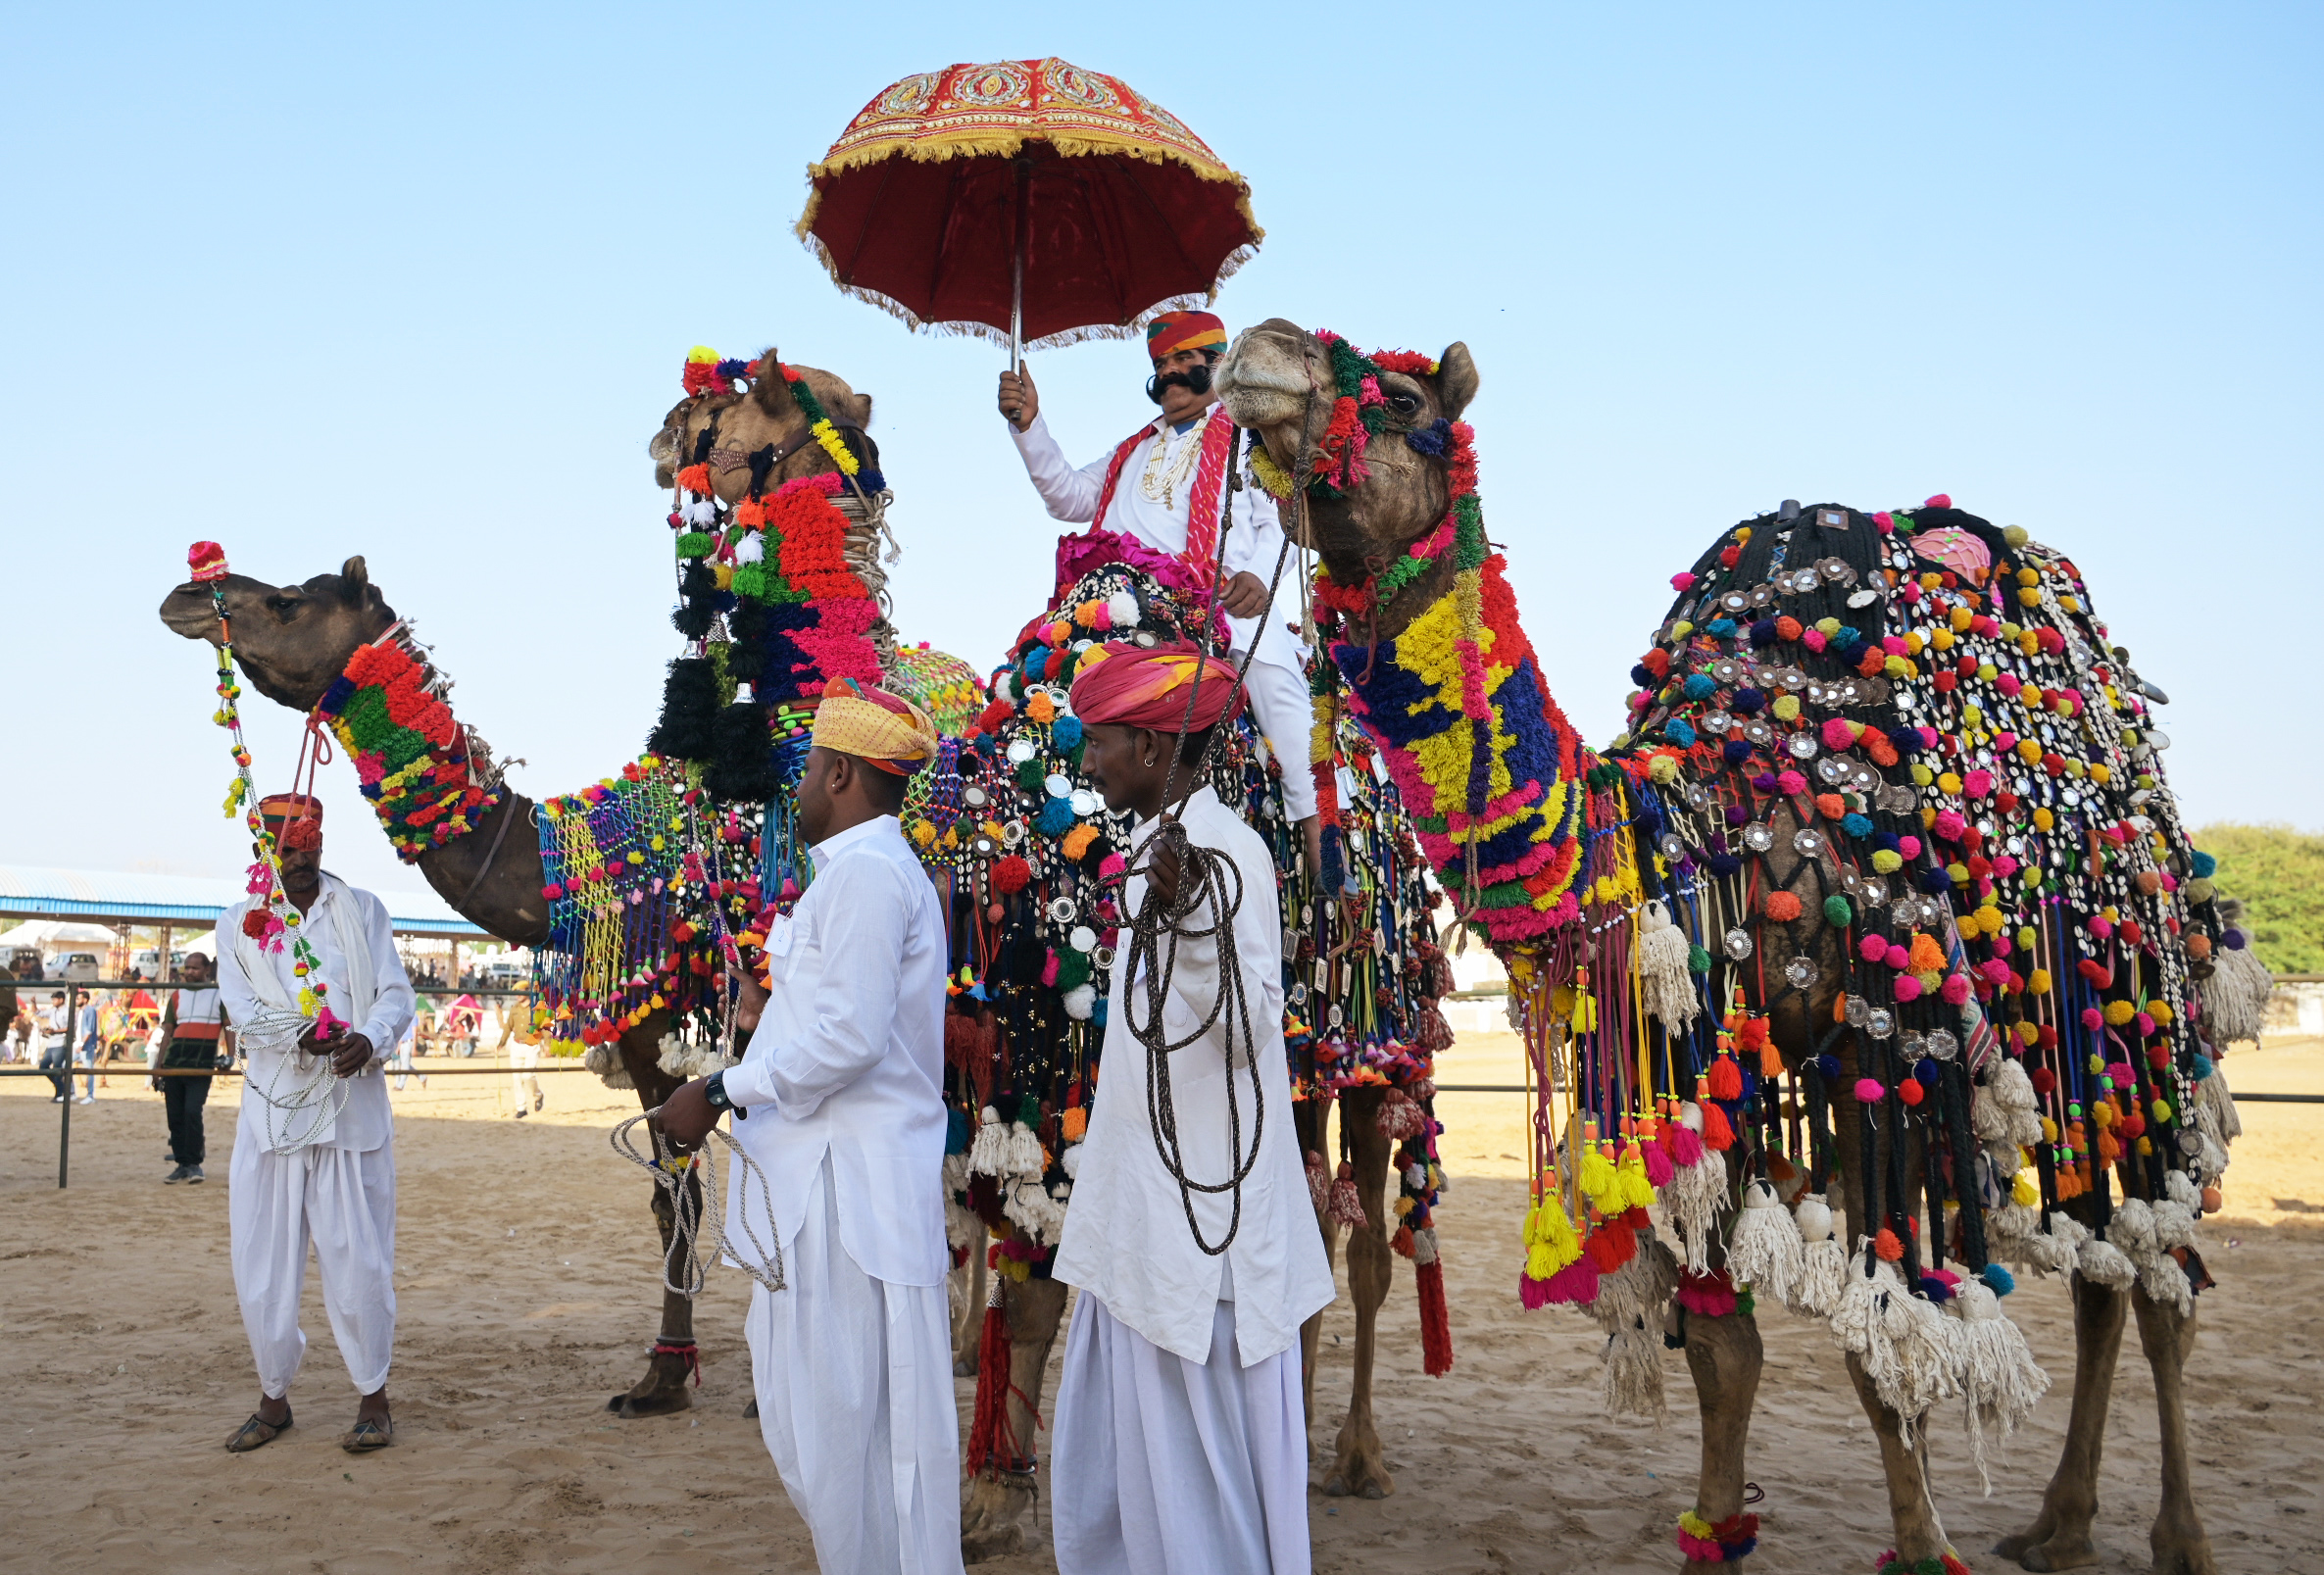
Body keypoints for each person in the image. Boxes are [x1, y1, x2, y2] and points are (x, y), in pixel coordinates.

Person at [657, 678, 963, 1575]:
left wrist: (717, 1089)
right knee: (830, 1427)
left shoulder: (866, 876)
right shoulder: (860, 875)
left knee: (846, 1429)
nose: (796, 785)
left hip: (846, 1199)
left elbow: (852, 1039)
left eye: (808, 768)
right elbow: (835, 1019)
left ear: (837, 773)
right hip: (829, 1189)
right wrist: (767, 1016)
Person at [1046, 642, 1335, 1575]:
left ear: (1151, 745)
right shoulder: (1152, 849)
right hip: (1140, 1227)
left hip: (1201, 1251)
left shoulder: (1227, 853)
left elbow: (1253, 1034)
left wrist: (1199, 911)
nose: (1087, 764)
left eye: (1099, 743)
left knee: (1206, 1512)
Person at [999, 311, 1322, 873]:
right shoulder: (1132, 449)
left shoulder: (1252, 438)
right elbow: (1068, 498)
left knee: (1278, 687)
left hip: (1221, 603)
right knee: (1022, 689)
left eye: (1183, 362)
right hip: (1113, 603)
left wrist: (1255, 581)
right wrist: (1030, 425)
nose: (1170, 374)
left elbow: (1281, 520)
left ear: (1216, 364)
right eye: (1160, 364)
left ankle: (1322, 840)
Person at [215, 794, 417, 1455]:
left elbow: (395, 994)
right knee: (262, 1271)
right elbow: (244, 1011)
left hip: (350, 1116)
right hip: (272, 1120)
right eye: (288, 847)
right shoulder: (236, 923)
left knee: (359, 1265)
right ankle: (273, 1399)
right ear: (262, 851)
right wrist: (308, 1033)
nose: (302, 859)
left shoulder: (363, 911)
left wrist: (369, 1037)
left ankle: (373, 1397)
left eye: (311, 846)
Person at [155, 952, 232, 1183]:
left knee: (192, 1112)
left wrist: (230, 1057)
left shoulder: (219, 995)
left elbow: (229, 1027)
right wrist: (158, 1067)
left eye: (194, 968)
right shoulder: (177, 995)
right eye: (186, 968)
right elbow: (168, 1032)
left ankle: (195, 1163)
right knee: (175, 1116)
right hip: (174, 1063)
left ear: (207, 970)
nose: (189, 972)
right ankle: (182, 1163)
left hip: (201, 1065)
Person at [497, 988, 543, 1117]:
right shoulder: (514, 1009)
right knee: (517, 1078)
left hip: (531, 1045)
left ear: (526, 992)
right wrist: (501, 1043)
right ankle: (521, 1108)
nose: (517, 995)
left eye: (519, 992)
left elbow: (544, 1026)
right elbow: (508, 1027)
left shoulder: (536, 1008)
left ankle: (538, 1095)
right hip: (517, 1045)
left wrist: (548, 1045)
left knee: (528, 1075)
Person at [39, 991, 72, 1102]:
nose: (53, 1001)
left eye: (55, 999)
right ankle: (61, 1088)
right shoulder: (53, 1011)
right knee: (43, 1067)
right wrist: (33, 1004)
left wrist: (55, 1031)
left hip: (60, 1042)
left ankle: (59, 1094)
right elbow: (39, 1013)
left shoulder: (67, 1011)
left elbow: (70, 1027)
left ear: (61, 1000)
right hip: (52, 1043)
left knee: (57, 1069)